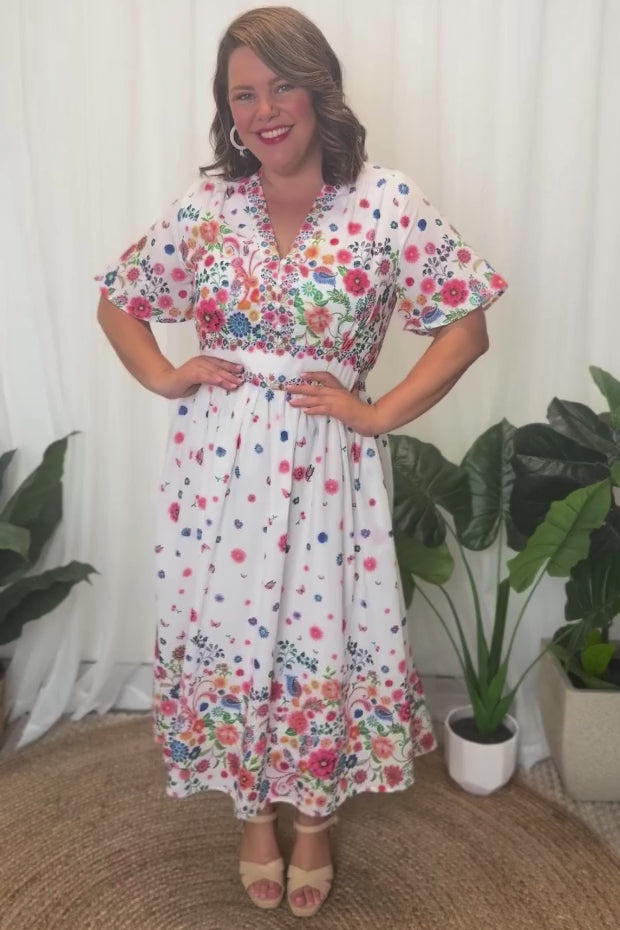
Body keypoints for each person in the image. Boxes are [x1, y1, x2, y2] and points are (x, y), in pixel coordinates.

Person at [96, 5, 507, 918]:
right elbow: (120, 301)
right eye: (243, 94)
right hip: (216, 474)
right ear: (227, 111)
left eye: (282, 85)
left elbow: (465, 326)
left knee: (322, 636)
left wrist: (378, 412)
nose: (265, 110)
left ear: (320, 91)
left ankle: (313, 818)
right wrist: (165, 374)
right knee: (235, 635)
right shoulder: (208, 207)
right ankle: (252, 813)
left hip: (328, 471)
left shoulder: (385, 201)